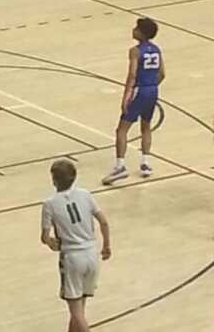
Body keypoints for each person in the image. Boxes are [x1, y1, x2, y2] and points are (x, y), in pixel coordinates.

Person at [41, 159, 111, 332]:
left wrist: (50, 242)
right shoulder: (85, 194)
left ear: (54, 180)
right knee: (79, 308)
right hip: (92, 254)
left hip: (72, 258)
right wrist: (106, 246)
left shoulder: (50, 204)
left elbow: (45, 237)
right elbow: (103, 222)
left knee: (76, 312)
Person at [103, 18, 165, 185]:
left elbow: (132, 75)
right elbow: (162, 73)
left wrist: (127, 96)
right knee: (146, 126)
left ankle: (120, 166)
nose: (133, 29)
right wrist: (151, 86)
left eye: (136, 28)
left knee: (121, 129)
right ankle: (145, 163)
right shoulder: (157, 49)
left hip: (139, 90)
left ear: (142, 33)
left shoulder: (135, 51)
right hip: (153, 90)